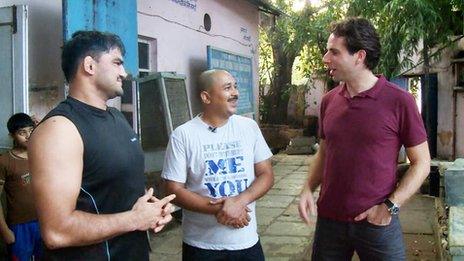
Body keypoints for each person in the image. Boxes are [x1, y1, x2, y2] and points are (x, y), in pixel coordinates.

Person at [29, 31, 175, 260]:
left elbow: (118, 192)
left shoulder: (116, 118)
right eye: (117, 63)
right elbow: (56, 231)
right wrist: (135, 219)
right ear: (89, 65)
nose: (124, 73)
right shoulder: (60, 129)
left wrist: (153, 211)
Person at [298, 17, 431, 260]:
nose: (326, 59)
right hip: (330, 221)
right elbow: (325, 152)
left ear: (359, 56)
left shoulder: (399, 101)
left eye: (333, 52)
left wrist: (390, 206)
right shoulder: (329, 100)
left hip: (377, 223)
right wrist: (308, 188)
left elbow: (422, 163)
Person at [162, 69, 274, 260]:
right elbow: (173, 189)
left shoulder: (249, 127)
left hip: (246, 241)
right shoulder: (183, 135)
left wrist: (240, 202)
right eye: (227, 88)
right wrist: (222, 209)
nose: (235, 93)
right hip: (201, 245)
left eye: (235, 87)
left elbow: (266, 174)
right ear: (206, 97)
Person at [0, 113, 42, 261]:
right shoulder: (5, 161)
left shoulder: (40, 154)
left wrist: (41, 125)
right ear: (12, 135)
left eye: (31, 130)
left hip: (44, 220)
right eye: (22, 132)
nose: (28, 136)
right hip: (19, 226)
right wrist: (4, 230)